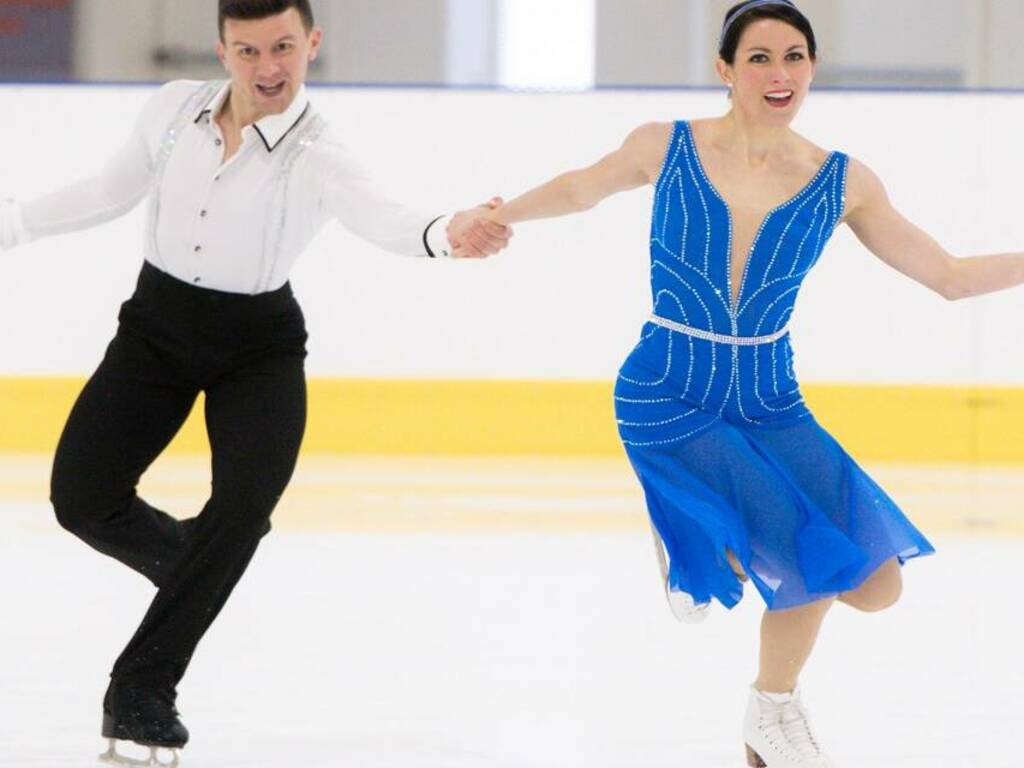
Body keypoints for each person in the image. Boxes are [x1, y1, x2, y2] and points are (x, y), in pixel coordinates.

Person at [462, 1, 1024, 765]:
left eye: (794, 56)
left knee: (877, 582)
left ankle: (735, 629)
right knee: (809, 553)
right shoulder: (666, 145)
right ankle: (763, 687)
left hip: (770, 400)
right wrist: (503, 215)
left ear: (813, 68)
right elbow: (582, 187)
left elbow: (950, 277)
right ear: (724, 70)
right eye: (759, 58)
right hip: (668, 388)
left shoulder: (843, 181)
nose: (779, 73)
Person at [0, 1, 510, 764]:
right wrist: (12, 222)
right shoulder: (174, 110)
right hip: (156, 328)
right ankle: (201, 576)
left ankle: (141, 693)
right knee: (81, 497)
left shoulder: (320, 152)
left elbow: (388, 219)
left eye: (282, 47)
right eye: (248, 50)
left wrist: (448, 231)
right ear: (222, 48)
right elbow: (110, 190)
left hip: (257, 348)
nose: (268, 68)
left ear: (312, 42)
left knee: (242, 509)